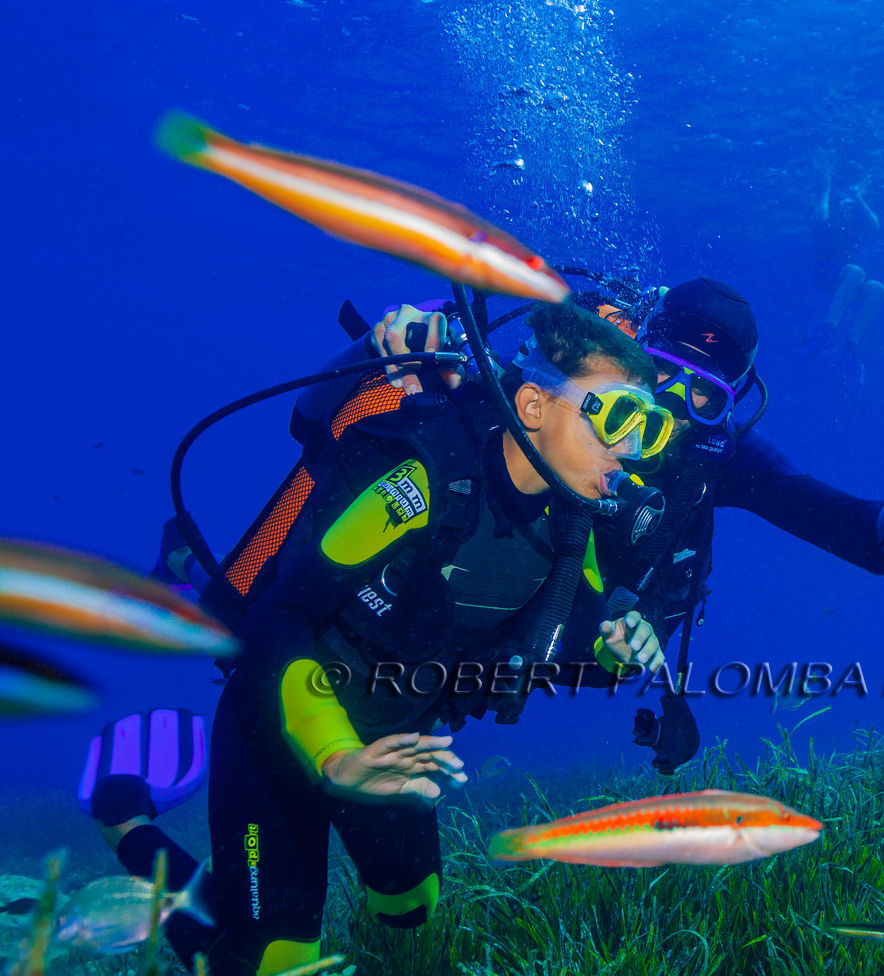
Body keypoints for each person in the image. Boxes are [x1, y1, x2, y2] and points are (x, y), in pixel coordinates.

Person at [89, 301, 672, 976]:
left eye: (649, 429)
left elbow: (568, 643)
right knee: (276, 963)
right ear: (535, 406)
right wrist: (335, 755)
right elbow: (280, 619)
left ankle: (245, 890)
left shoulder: (574, 526)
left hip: (393, 735)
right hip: (281, 724)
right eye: (617, 419)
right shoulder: (421, 479)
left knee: (412, 909)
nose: (632, 449)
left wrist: (613, 648)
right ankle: (126, 821)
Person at [375, 278, 884, 774]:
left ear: (727, 407)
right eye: (661, 375)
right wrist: (424, 339)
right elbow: (478, 375)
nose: (670, 410)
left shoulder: (716, 459)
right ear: (635, 353)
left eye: (707, 398)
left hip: (559, 661)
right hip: (431, 646)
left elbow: (860, 536)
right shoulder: (562, 403)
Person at [797, 169, 884, 374]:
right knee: (856, 272)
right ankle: (829, 327)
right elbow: (819, 218)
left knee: (877, 289)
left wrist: (859, 198)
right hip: (824, 273)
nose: (847, 207)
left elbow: (874, 226)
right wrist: (826, 190)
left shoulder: (851, 219)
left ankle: (852, 341)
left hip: (846, 279)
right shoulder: (823, 212)